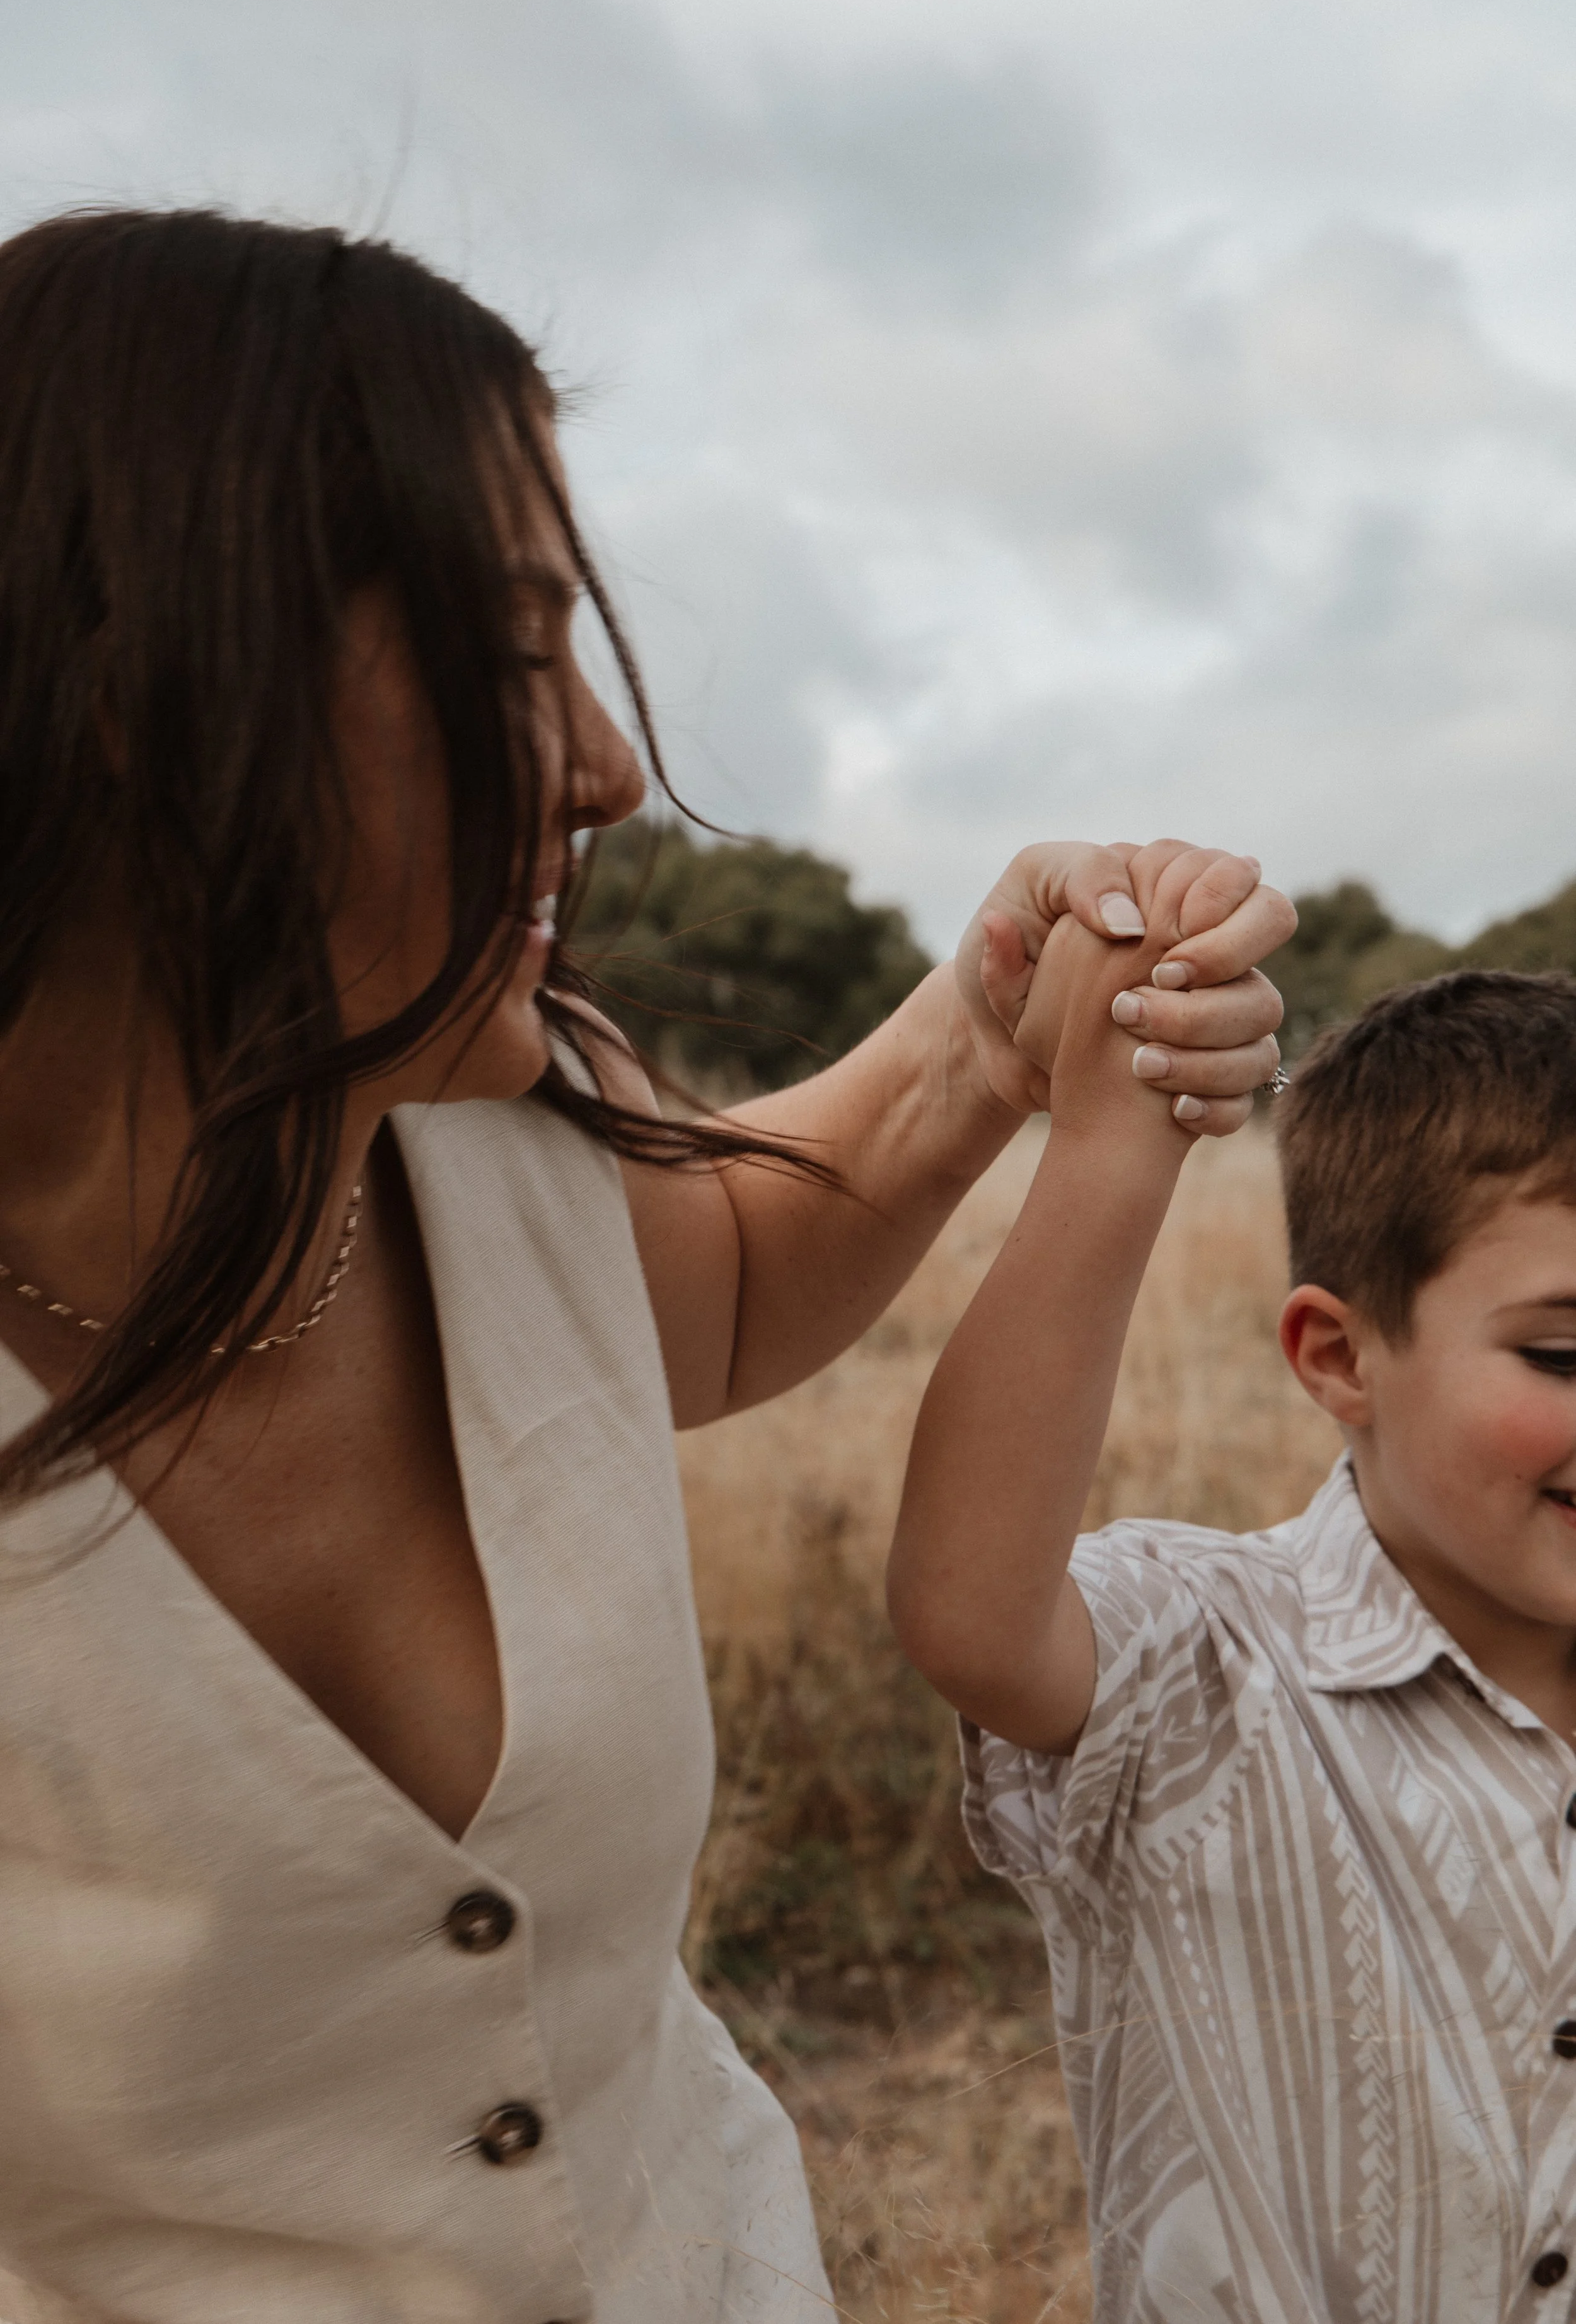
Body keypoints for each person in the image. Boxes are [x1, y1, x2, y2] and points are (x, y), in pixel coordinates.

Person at [0, 207, 1292, 2324]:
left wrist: (987, 1032)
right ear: (142, 676)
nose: (604, 763)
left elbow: (715, 1277)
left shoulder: (494, 1122)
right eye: (515, 656)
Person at [888, 892, 1576, 2321]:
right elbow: (970, 1613)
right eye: (1562, 1356)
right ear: (1335, 1354)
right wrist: (1111, 1130)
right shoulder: (1204, 1658)